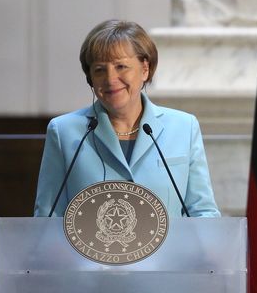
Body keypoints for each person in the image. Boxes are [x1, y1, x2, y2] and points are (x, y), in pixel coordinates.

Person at [34, 20, 220, 217]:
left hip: (173, 249)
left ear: (145, 69)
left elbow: (203, 212)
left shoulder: (184, 127)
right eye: (99, 70)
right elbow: (47, 218)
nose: (110, 79)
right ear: (90, 79)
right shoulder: (64, 131)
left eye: (121, 66)